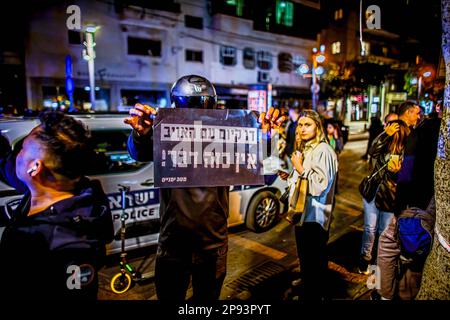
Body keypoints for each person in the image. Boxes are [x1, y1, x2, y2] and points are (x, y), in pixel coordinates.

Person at [125, 74, 283, 301]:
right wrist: (141, 133)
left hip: (209, 244)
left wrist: (269, 134)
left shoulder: (229, 136)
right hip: (177, 242)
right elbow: (138, 152)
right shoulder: (167, 133)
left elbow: (263, 158)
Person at [0, 111, 114, 299]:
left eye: (21, 148)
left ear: (35, 168)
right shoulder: (56, 186)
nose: (16, 155)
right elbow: (8, 166)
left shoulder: (70, 244)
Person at [376, 108, 440, 300]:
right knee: (413, 259)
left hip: (412, 208)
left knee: (388, 246)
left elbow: (406, 176)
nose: (418, 115)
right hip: (428, 206)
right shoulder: (435, 135)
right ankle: (405, 294)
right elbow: (374, 152)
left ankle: (381, 292)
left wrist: (399, 203)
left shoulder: (420, 134)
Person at [279, 110, 338, 300]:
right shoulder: (307, 148)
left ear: (317, 127)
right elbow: (304, 180)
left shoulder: (324, 150)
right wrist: (291, 176)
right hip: (303, 212)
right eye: (300, 125)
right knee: (305, 256)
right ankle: (307, 282)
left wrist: (299, 168)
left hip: (316, 215)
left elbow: (320, 185)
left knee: (315, 259)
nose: (303, 129)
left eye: (308, 125)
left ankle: (313, 293)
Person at [358, 120, 410, 274]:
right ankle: (365, 260)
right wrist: (385, 135)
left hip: (390, 196)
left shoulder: (407, 151)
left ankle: (378, 261)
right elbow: (372, 151)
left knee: (383, 231)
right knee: (369, 229)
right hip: (373, 192)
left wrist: (397, 173)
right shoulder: (384, 144)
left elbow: (407, 178)